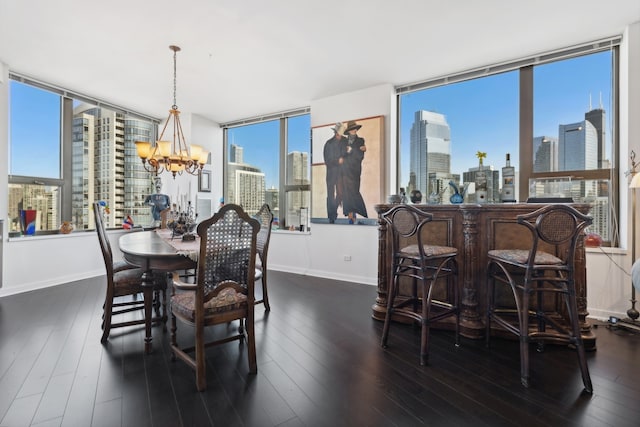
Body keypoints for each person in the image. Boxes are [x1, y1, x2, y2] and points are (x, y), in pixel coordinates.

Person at [341, 120, 368, 222]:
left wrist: (351, 150)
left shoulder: (360, 140)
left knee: (354, 191)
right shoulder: (343, 142)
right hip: (344, 170)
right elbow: (341, 155)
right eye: (352, 129)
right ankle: (350, 215)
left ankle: (360, 212)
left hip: (355, 170)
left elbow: (360, 156)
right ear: (348, 131)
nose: (354, 130)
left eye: (355, 128)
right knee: (346, 192)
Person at [323, 122, 347, 223]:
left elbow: (349, 154)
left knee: (341, 193)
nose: (340, 135)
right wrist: (338, 161)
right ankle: (331, 216)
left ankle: (333, 211)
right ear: (336, 132)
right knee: (330, 195)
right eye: (339, 133)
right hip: (331, 173)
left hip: (342, 173)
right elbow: (327, 160)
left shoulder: (345, 141)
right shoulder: (328, 144)